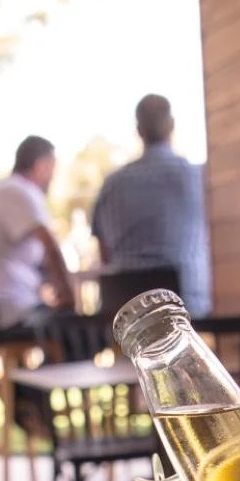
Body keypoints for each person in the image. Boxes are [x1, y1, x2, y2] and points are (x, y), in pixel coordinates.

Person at [91, 94, 213, 317]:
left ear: (139, 130)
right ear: (172, 125)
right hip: (191, 313)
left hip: (128, 315)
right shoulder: (198, 178)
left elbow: (104, 255)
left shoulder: (111, 186)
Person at [0, 136, 75, 327]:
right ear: (41, 166)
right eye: (52, 169)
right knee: (80, 329)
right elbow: (50, 246)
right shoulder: (19, 191)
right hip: (6, 310)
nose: (53, 177)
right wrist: (68, 296)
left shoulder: (1, 192)